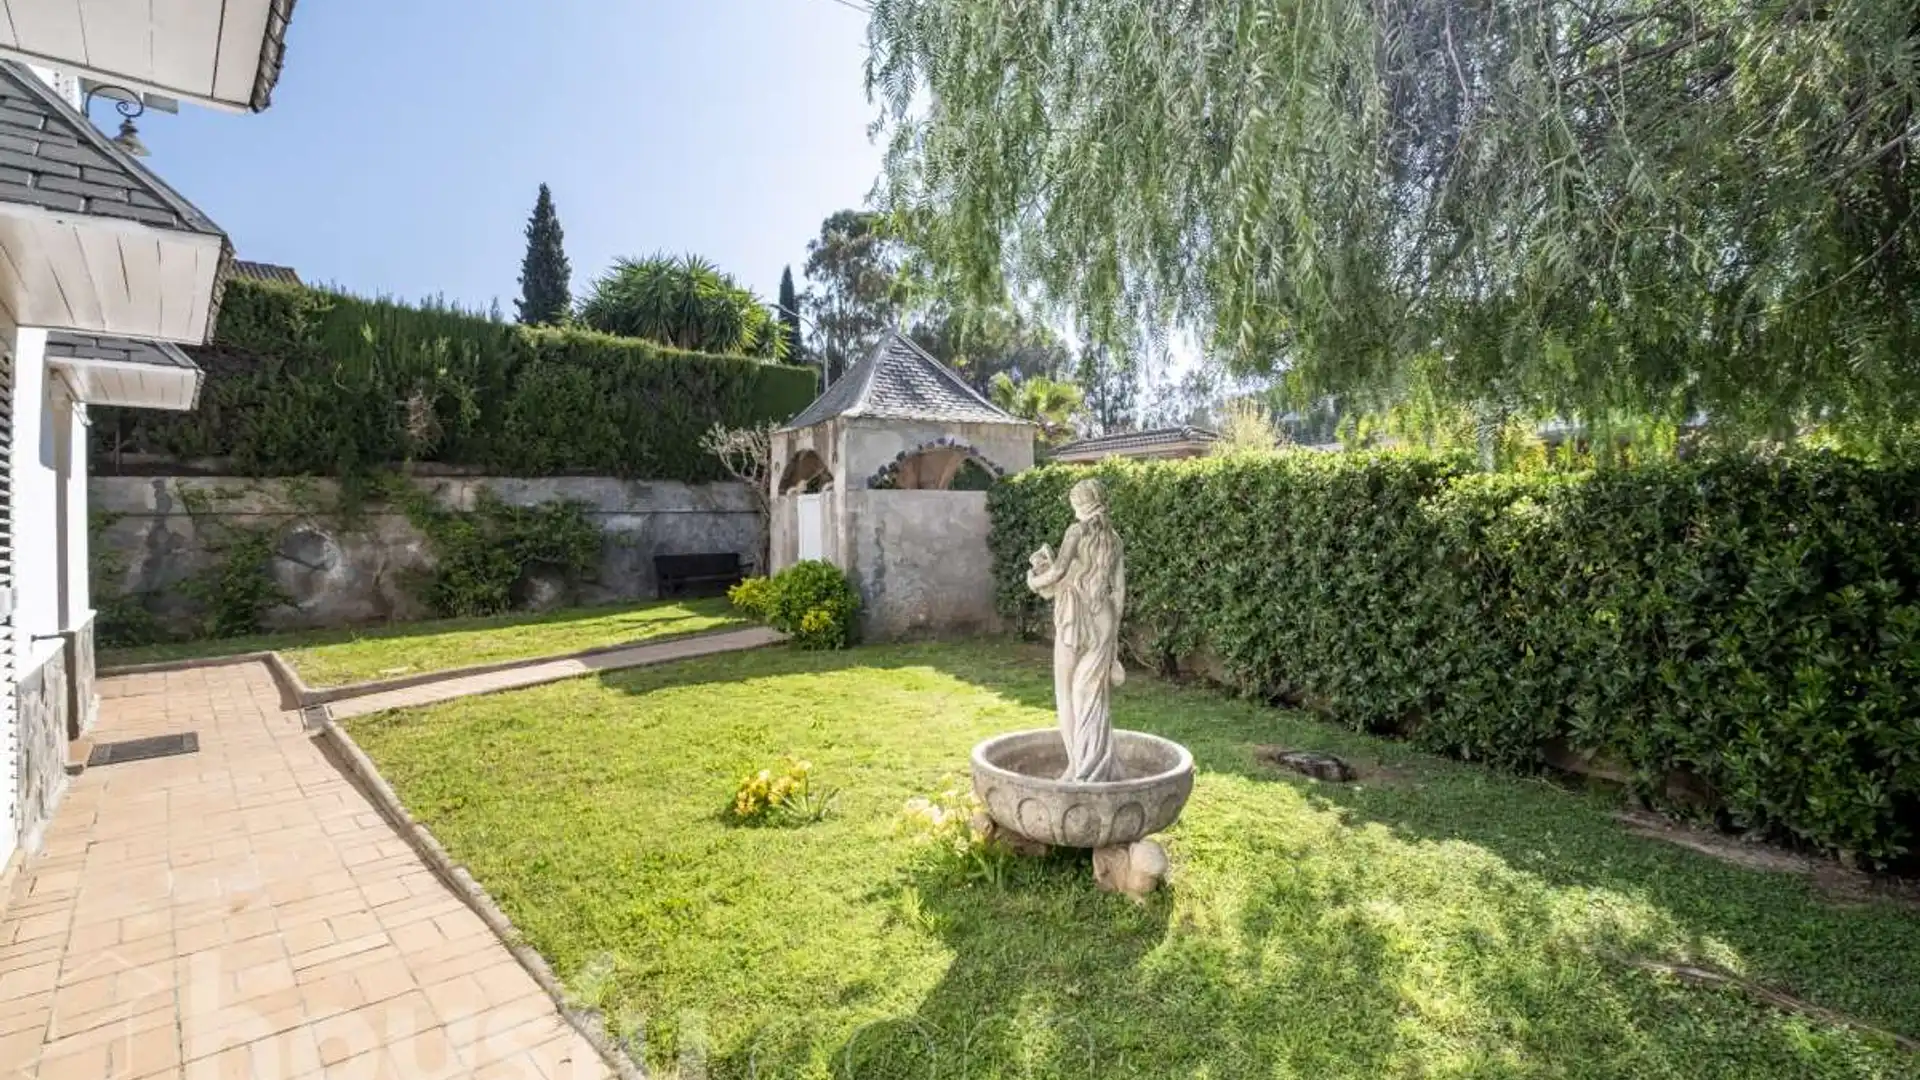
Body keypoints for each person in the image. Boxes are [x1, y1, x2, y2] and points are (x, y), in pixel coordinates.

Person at [1025, 478, 1127, 782]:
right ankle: (1098, 761)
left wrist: (1033, 580)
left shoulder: (1076, 531)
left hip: (1074, 616)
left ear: (1077, 504)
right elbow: (1119, 591)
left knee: (1066, 692)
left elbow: (1056, 572)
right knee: (1095, 696)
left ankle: (1076, 766)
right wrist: (1115, 638)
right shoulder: (1115, 539)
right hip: (1104, 618)